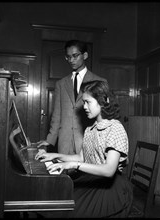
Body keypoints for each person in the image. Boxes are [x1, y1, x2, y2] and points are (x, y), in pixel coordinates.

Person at [35, 80, 133, 218]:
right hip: (94, 181)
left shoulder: (115, 128)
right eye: (83, 102)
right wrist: (54, 156)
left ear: (103, 101)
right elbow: (81, 157)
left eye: (88, 102)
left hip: (112, 189)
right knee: (54, 200)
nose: (84, 106)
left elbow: (109, 170)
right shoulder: (90, 129)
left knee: (62, 210)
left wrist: (74, 165)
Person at [36, 40, 108, 155]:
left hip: (89, 140)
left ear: (85, 55)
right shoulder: (61, 83)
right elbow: (57, 115)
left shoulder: (99, 82)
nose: (71, 60)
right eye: (68, 57)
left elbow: (104, 115)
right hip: (65, 142)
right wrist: (50, 140)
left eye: (75, 56)